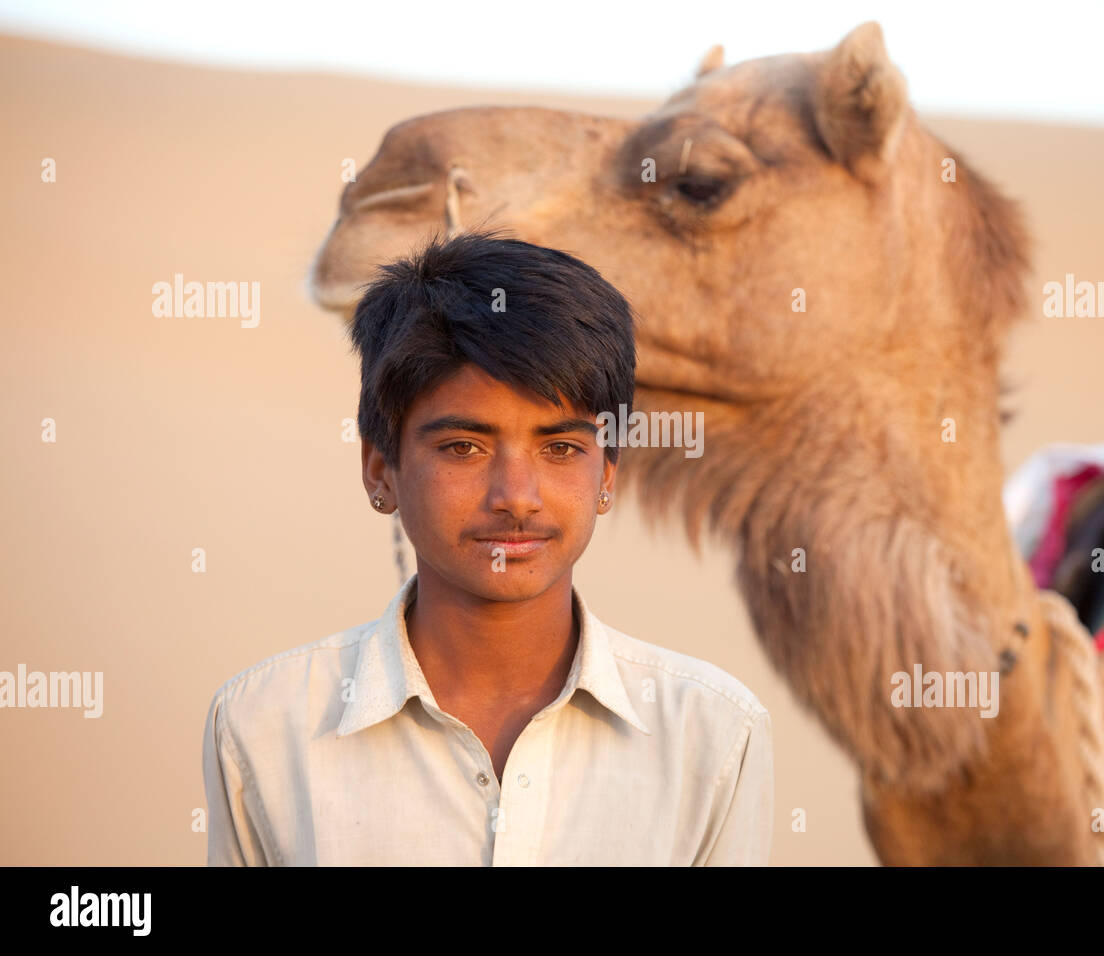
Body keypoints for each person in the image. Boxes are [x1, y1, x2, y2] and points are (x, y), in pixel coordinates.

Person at [201, 230, 773, 865]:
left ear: (607, 474)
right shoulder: (265, 724)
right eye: (463, 447)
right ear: (379, 469)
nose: (517, 497)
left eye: (561, 448)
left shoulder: (712, 733)